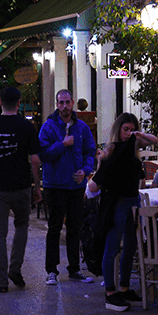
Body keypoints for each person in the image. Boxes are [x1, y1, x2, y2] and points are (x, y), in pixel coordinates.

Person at [0, 87, 42, 293]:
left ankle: (2, 282)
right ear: (19, 103)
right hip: (21, 186)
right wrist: (37, 186)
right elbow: (35, 160)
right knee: (22, 226)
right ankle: (15, 268)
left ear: (0, 102)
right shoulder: (27, 126)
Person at [94, 113, 158, 311]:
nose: (129, 133)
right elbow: (100, 174)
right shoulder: (112, 148)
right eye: (126, 129)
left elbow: (154, 140)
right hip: (118, 201)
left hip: (133, 199)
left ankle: (124, 287)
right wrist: (102, 160)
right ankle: (110, 292)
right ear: (118, 129)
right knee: (113, 246)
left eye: (132, 129)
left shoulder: (134, 146)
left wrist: (139, 135)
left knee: (131, 245)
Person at [38, 89, 97, 286]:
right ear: (57, 105)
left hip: (76, 185)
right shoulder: (48, 127)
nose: (64, 106)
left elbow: (90, 152)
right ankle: (51, 270)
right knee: (54, 228)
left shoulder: (82, 128)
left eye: (67, 102)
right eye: (61, 103)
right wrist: (62, 144)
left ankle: (74, 269)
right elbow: (43, 154)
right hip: (55, 185)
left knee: (74, 228)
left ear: (72, 103)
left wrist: (85, 171)